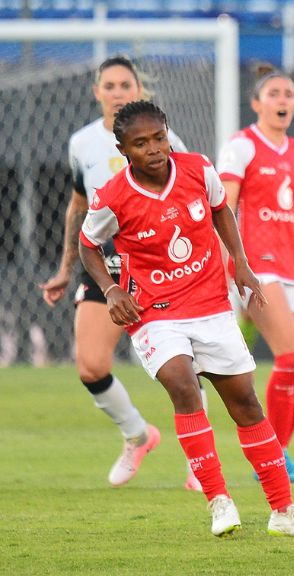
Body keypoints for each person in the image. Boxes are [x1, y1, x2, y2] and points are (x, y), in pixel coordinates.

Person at [78, 100, 294, 538]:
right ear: (123, 149)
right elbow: (88, 245)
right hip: (153, 312)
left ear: (169, 133)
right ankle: (218, 500)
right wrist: (112, 290)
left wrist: (240, 263)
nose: (153, 149)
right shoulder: (113, 196)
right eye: (141, 143)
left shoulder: (197, 169)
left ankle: (283, 511)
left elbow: (221, 208)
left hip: (209, 304)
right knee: (184, 385)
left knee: (244, 402)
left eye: (159, 138)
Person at [39, 55, 204, 491]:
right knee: (91, 366)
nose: (116, 92)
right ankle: (137, 435)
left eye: (124, 85)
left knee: (185, 368)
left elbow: (192, 200)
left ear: (138, 91)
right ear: (97, 93)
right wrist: (64, 269)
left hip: (159, 262)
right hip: (105, 263)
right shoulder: (82, 144)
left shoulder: (171, 142)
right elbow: (78, 207)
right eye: (108, 86)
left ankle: (199, 459)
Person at [217, 66, 294, 484]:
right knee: (288, 358)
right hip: (257, 266)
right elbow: (223, 207)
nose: (283, 100)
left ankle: (279, 454)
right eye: (274, 93)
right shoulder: (241, 146)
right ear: (257, 103)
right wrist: (231, 263)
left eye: (289, 93)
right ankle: (272, 457)